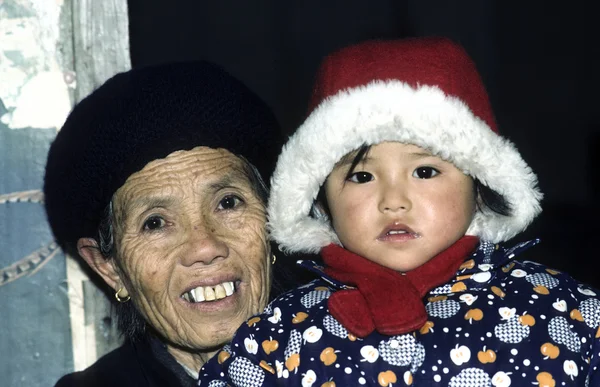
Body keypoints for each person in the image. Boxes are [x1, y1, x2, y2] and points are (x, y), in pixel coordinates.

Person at [198, 37, 600, 386]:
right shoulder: (277, 335)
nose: (393, 200)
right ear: (320, 201)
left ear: (480, 188)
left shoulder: (563, 310)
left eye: (425, 171)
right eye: (361, 177)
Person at [43, 60, 286, 386]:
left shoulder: (357, 356)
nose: (205, 246)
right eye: (155, 223)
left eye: (228, 202)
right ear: (109, 266)